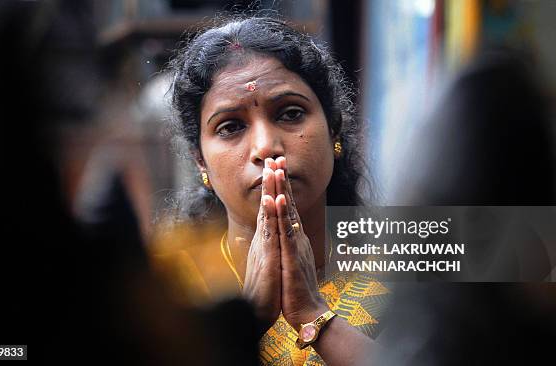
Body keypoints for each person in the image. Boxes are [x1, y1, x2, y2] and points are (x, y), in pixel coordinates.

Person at [152, 16, 388, 366]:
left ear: (333, 131)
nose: (266, 146)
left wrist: (314, 317)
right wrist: (248, 321)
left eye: (291, 114)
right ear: (201, 162)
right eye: (230, 126)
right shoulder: (163, 290)